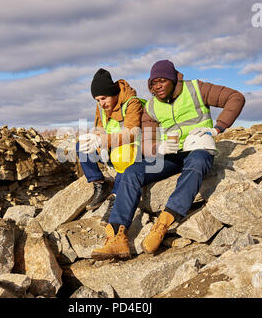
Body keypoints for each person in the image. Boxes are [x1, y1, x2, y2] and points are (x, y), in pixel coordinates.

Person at [91, 60, 245, 260]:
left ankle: (162, 224)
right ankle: (116, 237)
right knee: (131, 171)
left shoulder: (196, 89)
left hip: (198, 147)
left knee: (197, 164)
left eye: (162, 81)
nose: (158, 86)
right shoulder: (152, 106)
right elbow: (147, 140)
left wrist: (216, 129)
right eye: (153, 83)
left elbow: (236, 97)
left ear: (173, 79)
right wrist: (158, 148)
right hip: (170, 154)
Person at [76, 68, 144, 212]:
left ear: (113, 93)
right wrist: (96, 140)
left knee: (122, 157)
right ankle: (101, 184)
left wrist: (104, 142)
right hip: (110, 148)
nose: (101, 103)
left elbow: (132, 133)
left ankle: (116, 198)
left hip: (129, 152)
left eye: (103, 98)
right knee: (81, 146)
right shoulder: (101, 106)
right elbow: (99, 127)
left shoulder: (132, 103)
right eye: (97, 100)